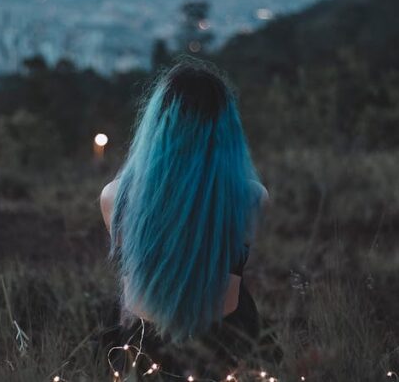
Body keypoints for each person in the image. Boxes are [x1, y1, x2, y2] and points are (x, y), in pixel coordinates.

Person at [96, 58, 282, 380]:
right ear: (226, 130)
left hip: (142, 350)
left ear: (157, 125)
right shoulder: (252, 198)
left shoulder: (115, 197)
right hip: (226, 348)